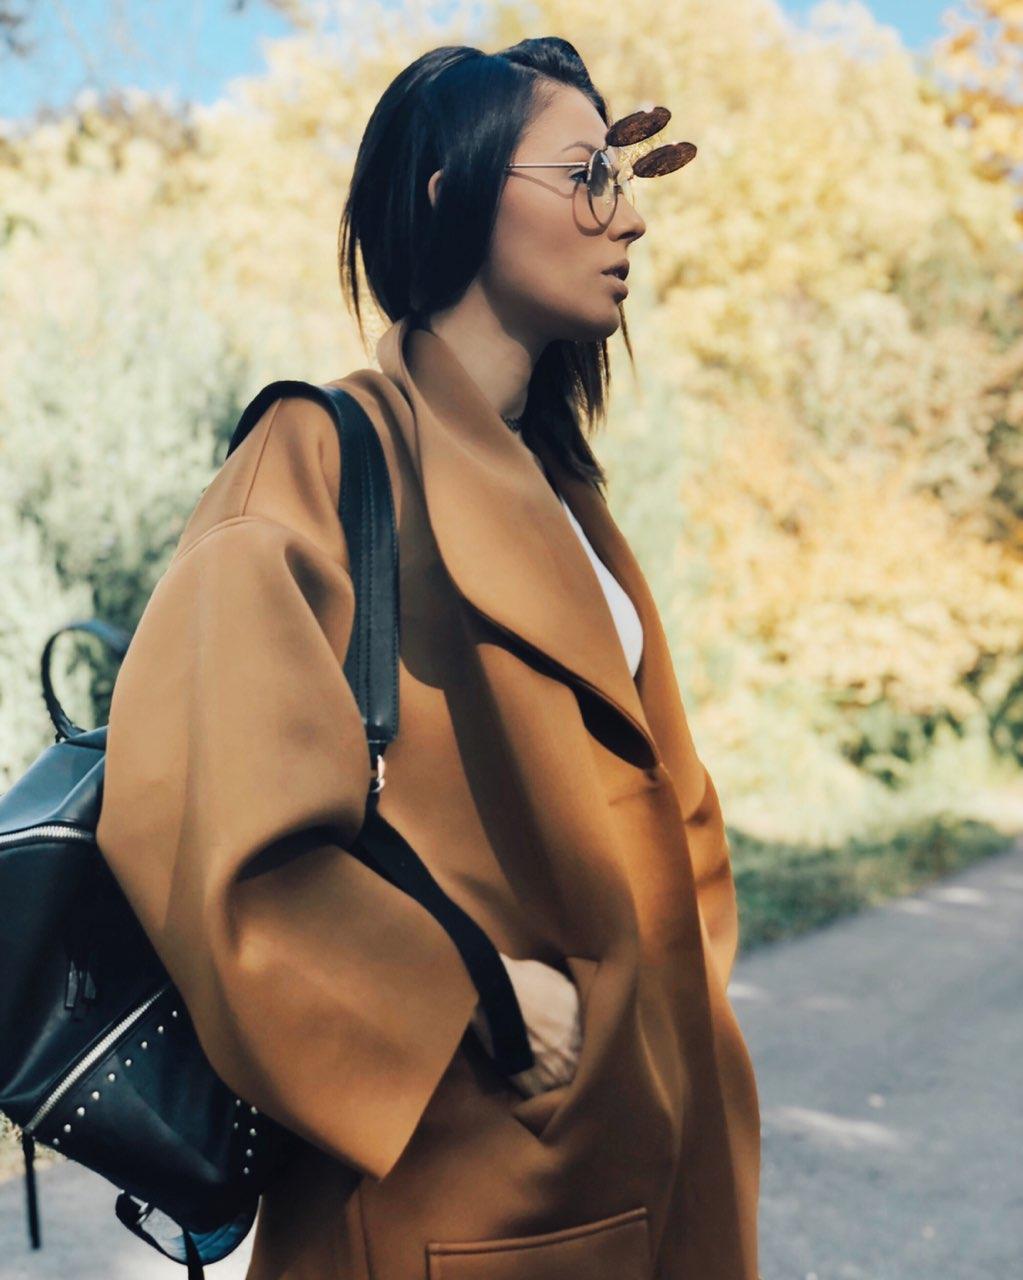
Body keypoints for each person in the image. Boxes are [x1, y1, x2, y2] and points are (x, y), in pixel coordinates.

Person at [96, 35, 760, 1280]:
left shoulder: (564, 489)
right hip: (463, 1188)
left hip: (653, 1133)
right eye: (587, 175)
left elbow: (656, 795)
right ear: (455, 195)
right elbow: (199, 814)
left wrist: (682, 1000)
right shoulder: (321, 453)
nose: (629, 217)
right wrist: (469, 998)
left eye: (627, 177)